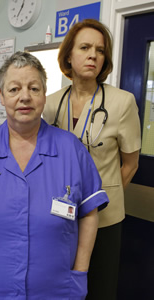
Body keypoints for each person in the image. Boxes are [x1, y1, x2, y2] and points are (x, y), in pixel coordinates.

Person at [0, 51, 109, 300]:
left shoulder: (71, 149)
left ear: (44, 94)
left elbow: (89, 213)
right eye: (14, 89)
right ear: (2, 96)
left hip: (54, 290)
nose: (24, 97)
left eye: (34, 88)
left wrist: (80, 271)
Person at [42, 19, 141, 300]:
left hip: (104, 219)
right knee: (58, 285)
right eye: (84, 47)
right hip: (57, 214)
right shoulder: (50, 103)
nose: (93, 55)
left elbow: (131, 164)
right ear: (69, 56)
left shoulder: (122, 102)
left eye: (99, 50)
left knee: (99, 287)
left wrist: (102, 200)